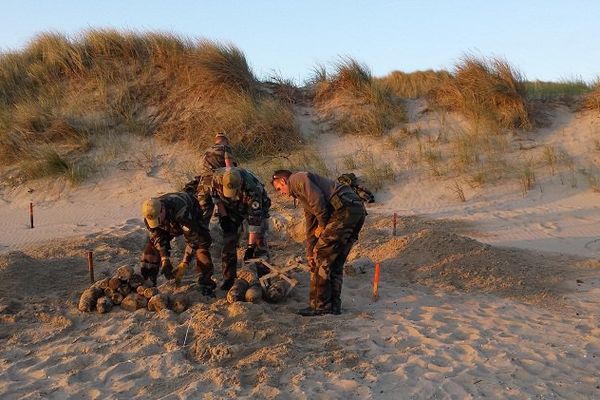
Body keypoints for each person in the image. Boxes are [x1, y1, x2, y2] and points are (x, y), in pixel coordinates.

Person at [271, 169, 366, 316]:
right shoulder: (303, 195)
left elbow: (318, 200)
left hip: (343, 209)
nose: (280, 192)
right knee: (335, 261)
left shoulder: (296, 179)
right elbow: (311, 225)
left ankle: (319, 306)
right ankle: (334, 306)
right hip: (356, 210)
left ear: (283, 181)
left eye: (279, 188)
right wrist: (309, 252)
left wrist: (322, 226)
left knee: (321, 255)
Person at [140, 192, 216, 296]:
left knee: (201, 245)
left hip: (193, 214)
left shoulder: (181, 211)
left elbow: (193, 239)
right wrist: (165, 260)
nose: (156, 223)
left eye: (158, 220)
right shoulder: (150, 215)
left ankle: (206, 284)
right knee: (150, 248)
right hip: (169, 223)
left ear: (162, 210)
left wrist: (184, 263)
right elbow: (158, 237)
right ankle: (148, 284)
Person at [211, 166, 271, 290]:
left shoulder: (253, 190)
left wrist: (250, 248)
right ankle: (228, 278)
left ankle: (265, 277)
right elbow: (216, 199)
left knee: (259, 242)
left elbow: (255, 224)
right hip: (230, 208)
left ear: (240, 185)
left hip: (254, 207)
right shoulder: (217, 178)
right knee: (229, 240)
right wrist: (224, 216)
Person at [195, 132, 237, 228]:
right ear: (226, 140)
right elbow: (229, 168)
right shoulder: (225, 148)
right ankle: (225, 222)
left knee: (203, 211)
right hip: (217, 180)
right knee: (224, 201)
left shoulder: (207, 150)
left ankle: (201, 234)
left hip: (203, 182)